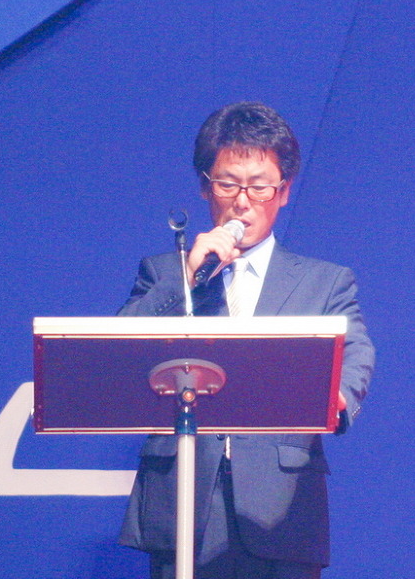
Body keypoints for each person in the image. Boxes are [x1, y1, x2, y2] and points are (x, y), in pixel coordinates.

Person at [117, 102, 375, 579]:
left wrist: (335, 397)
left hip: (280, 506)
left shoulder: (325, 282)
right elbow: (119, 350)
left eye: (259, 186)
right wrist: (186, 277)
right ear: (204, 186)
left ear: (283, 191)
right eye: (228, 184)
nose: (242, 202)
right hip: (185, 499)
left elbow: (354, 353)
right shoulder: (164, 273)